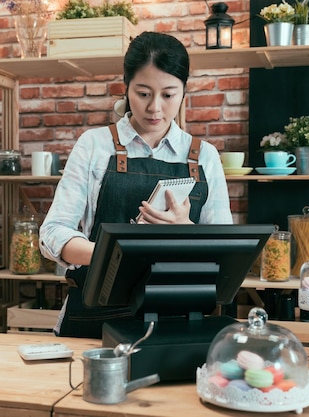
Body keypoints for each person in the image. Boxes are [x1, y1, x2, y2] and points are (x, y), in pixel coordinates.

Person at [39, 31, 233, 338]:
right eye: (143, 93)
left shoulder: (204, 156)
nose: (155, 108)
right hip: (95, 320)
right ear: (126, 88)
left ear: (184, 91)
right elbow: (53, 232)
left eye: (168, 95)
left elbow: (226, 255)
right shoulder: (94, 146)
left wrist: (185, 229)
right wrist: (115, 255)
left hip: (178, 320)